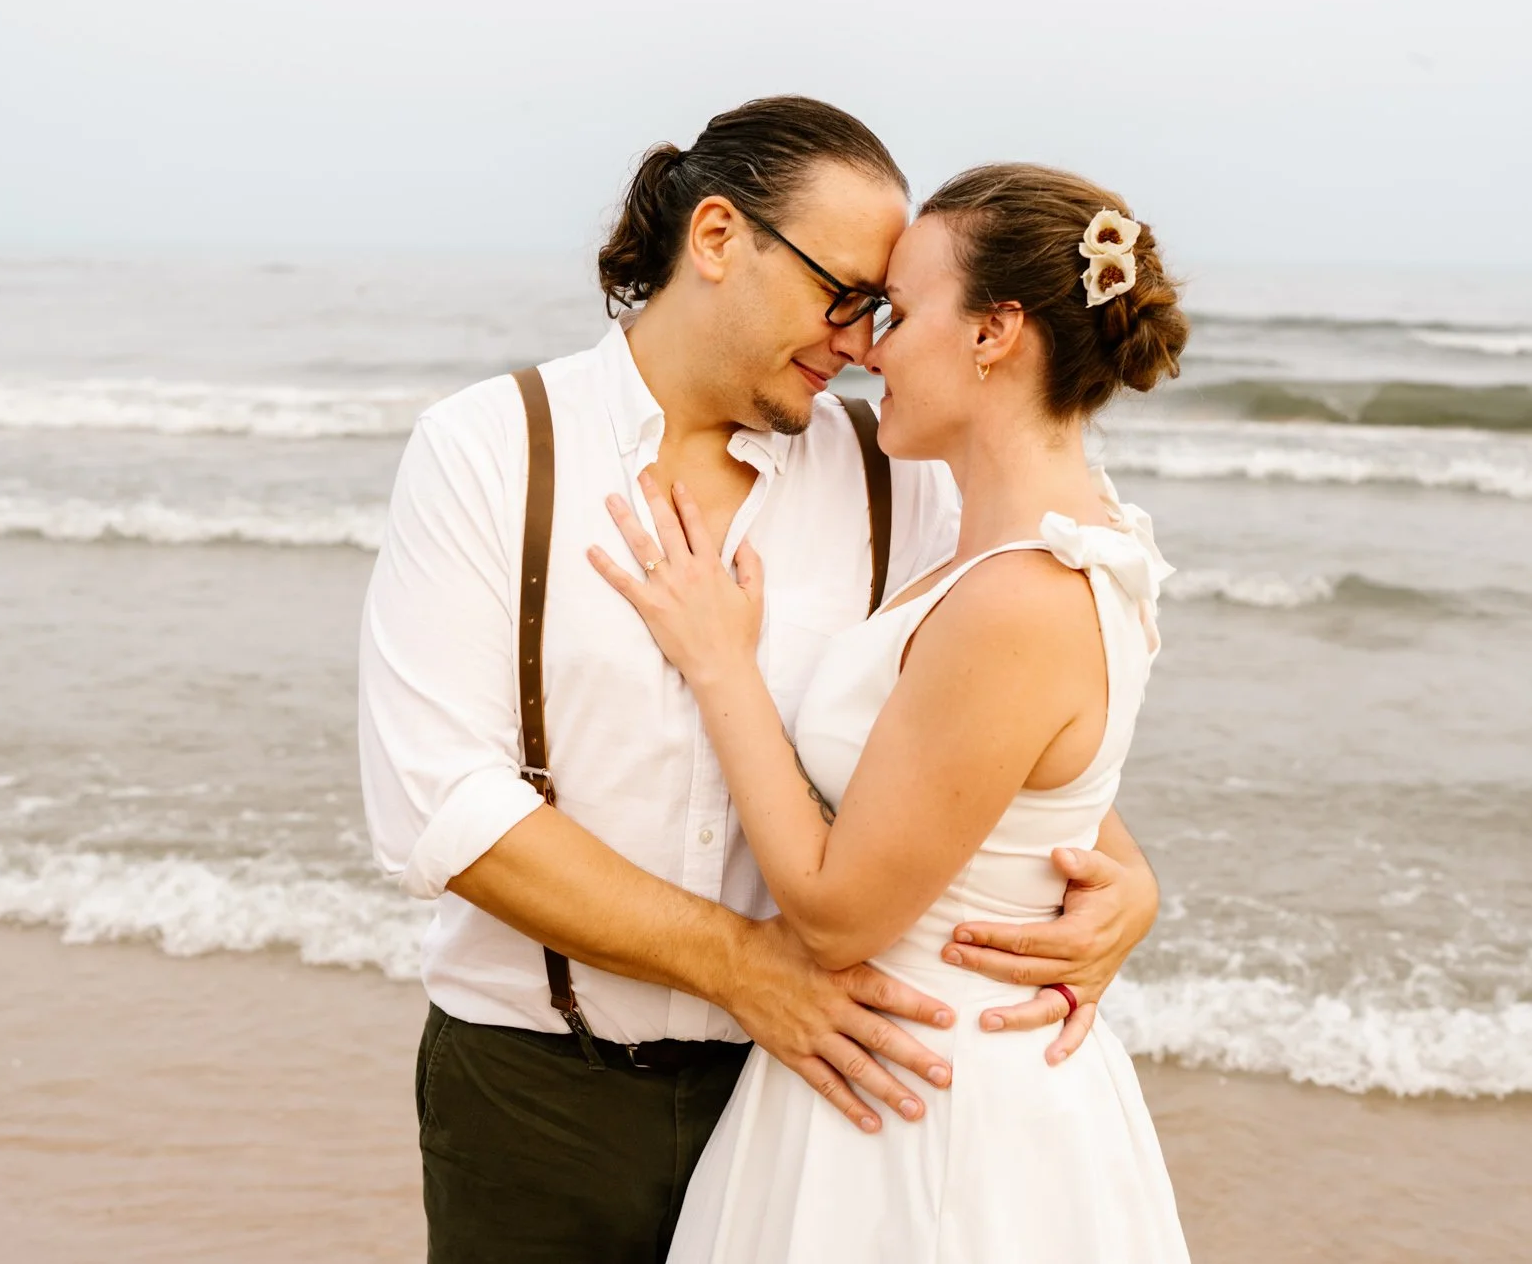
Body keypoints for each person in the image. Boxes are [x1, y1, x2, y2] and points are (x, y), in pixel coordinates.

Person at [358, 98, 1165, 1262]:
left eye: (882, 308)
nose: (859, 339)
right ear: (720, 238)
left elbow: (985, 726)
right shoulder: (489, 447)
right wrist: (742, 966)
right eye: (841, 292)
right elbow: (442, 802)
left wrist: (1127, 882)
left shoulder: (899, 478)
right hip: (542, 1091)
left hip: (825, 1097)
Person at [590, 163, 1192, 1261]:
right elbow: (1015, 792)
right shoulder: (1030, 546)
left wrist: (721, 665)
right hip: (898, 1065)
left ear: (993, 333)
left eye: (899, 314)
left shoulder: (1019, 593)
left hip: (918, 1102)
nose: (865, 348)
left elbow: (831, 916)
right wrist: (1133, 880)